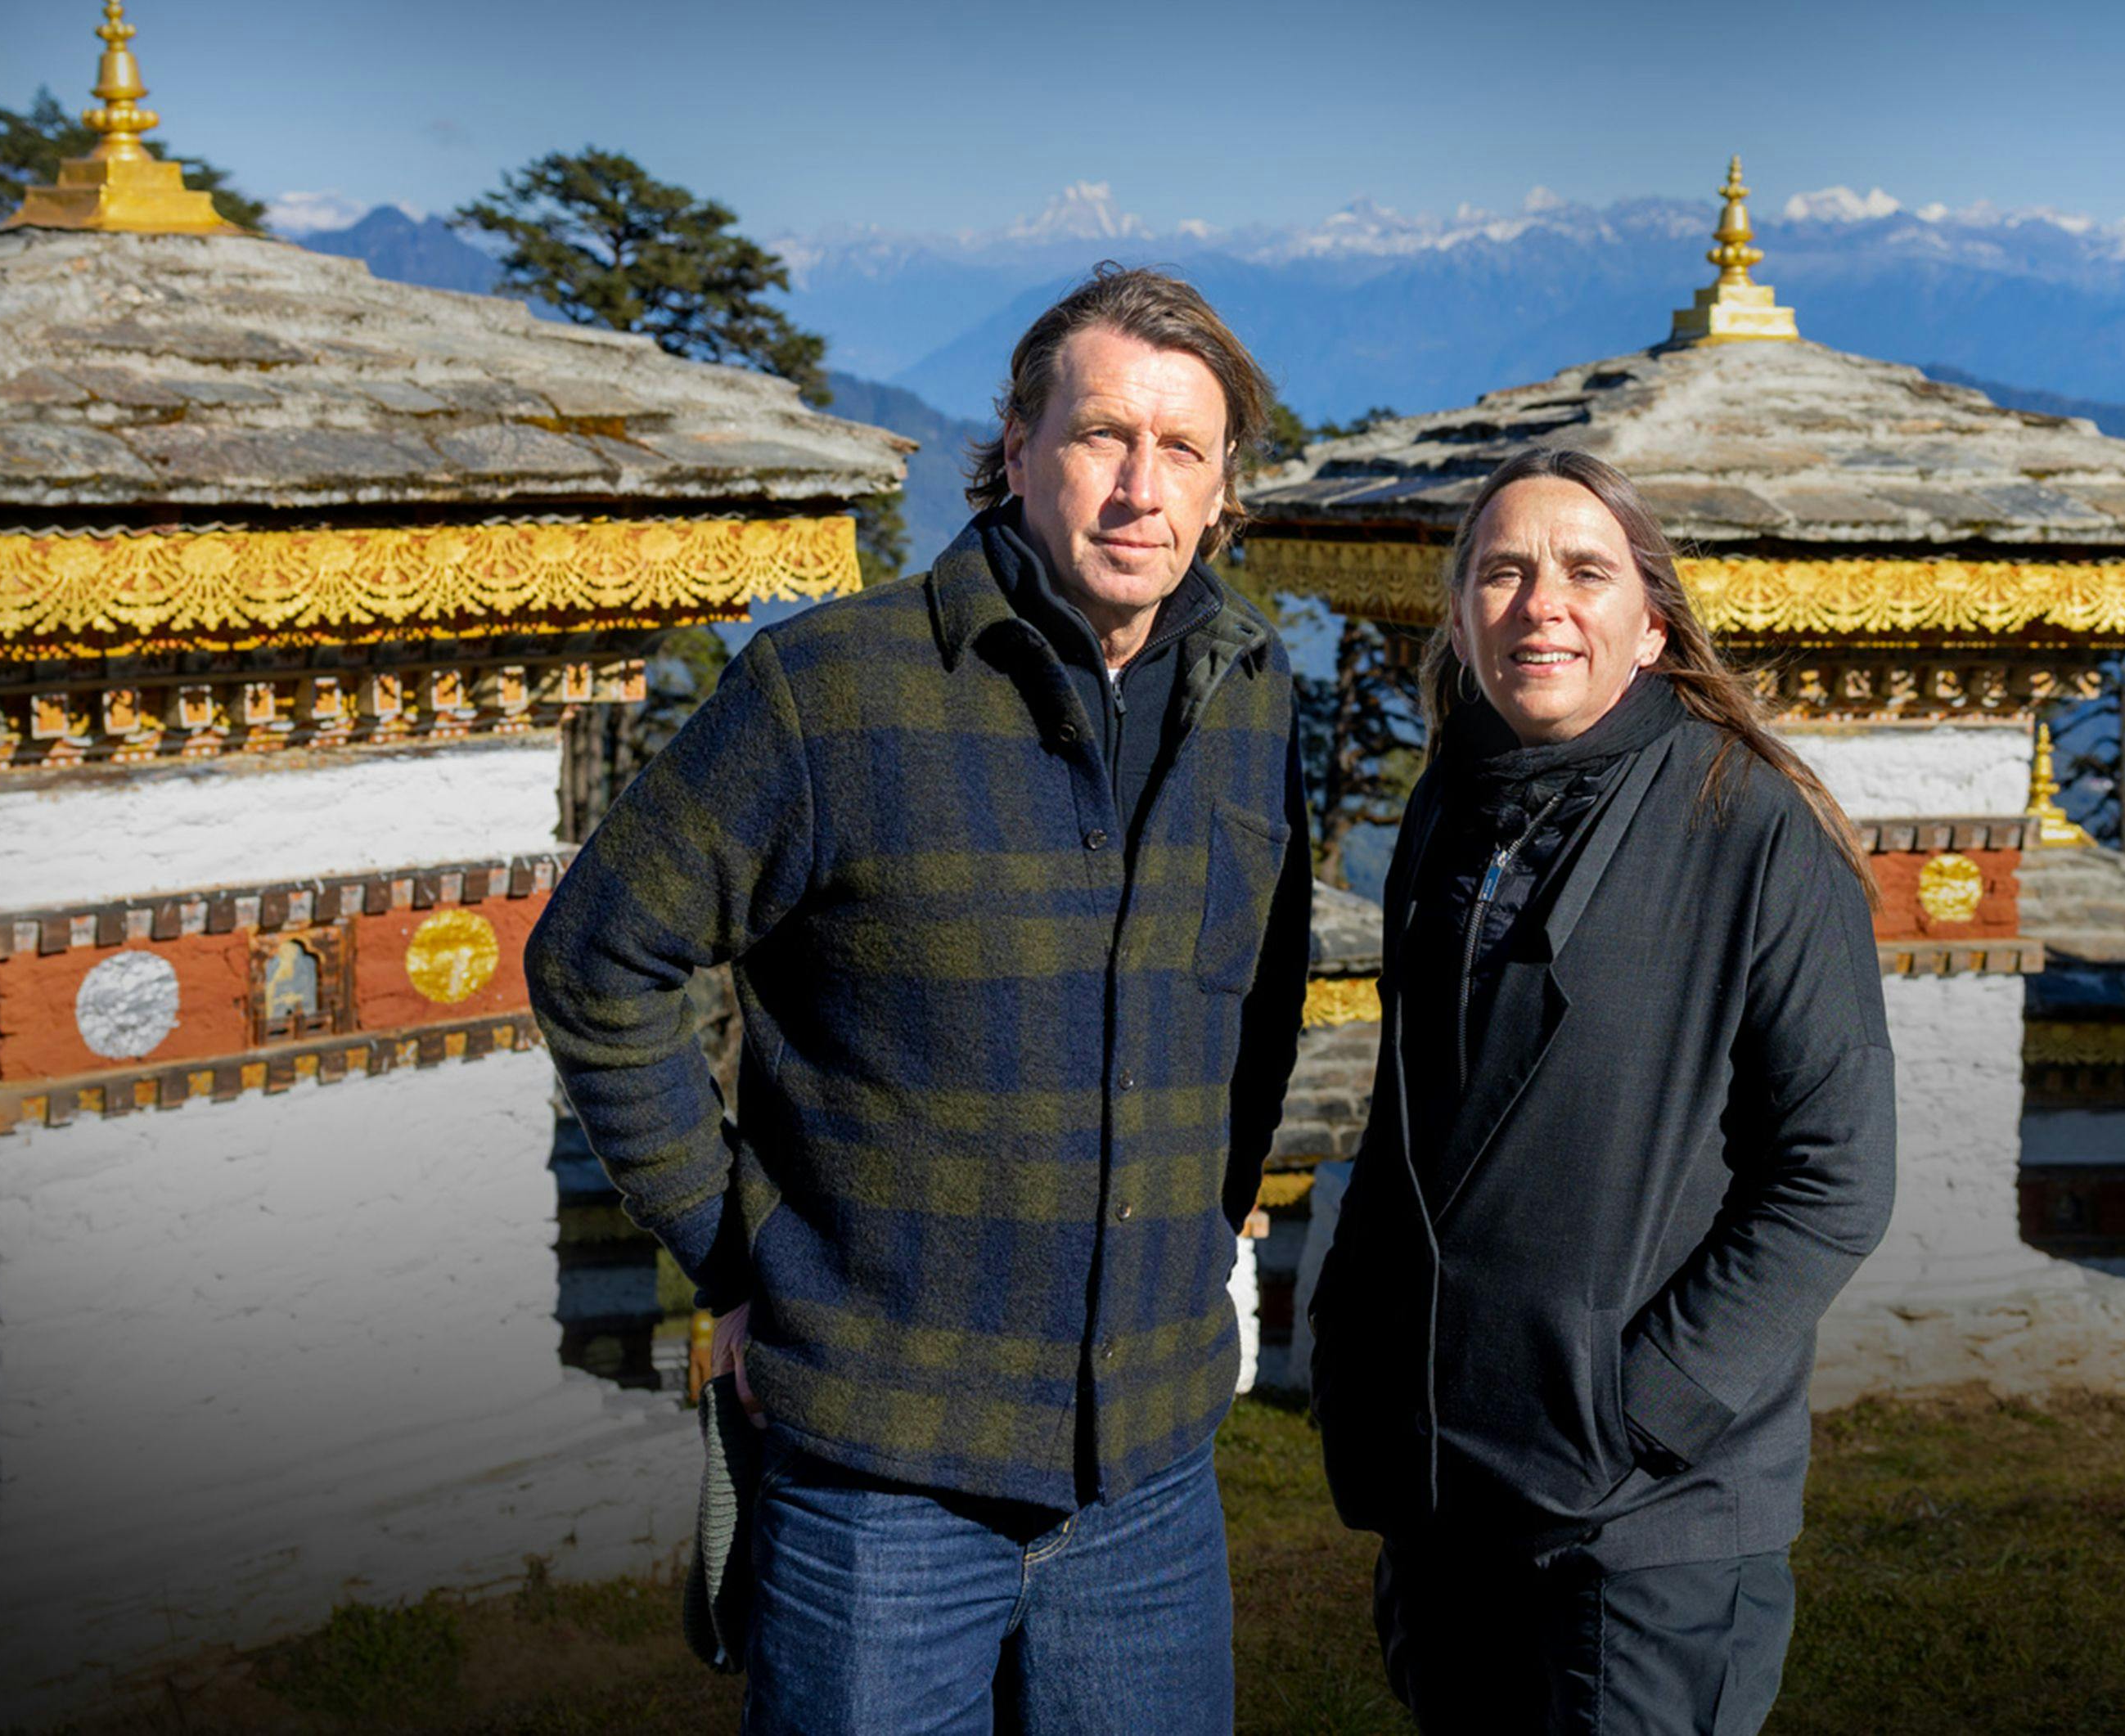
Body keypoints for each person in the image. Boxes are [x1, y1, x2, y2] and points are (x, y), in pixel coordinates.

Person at [529, 264, 1312, 1734]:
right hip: (877, 1483)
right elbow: (596, 956)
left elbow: (1257, 1000)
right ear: (1015, 449)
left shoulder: (1248, 688)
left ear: (1223, 491)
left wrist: (1206, 1219)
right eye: (1102, 437)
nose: (1143, 488)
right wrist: (736, 1248)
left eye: (1185, 451)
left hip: (1149, 1477)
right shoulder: (830, 694)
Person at [1307, 445, 1897, 1735]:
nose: (1542, 603)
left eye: (1585, 569)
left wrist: (1643, 1406)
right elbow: (1414, 1119)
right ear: (1460, 613)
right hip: (1448, 1490)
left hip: (1645, 1525)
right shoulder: (1452, 808)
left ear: (1651, 620)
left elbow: (1837, 1171)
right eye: (1504, 571)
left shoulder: (1746, 829)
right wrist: (1352, 1351)